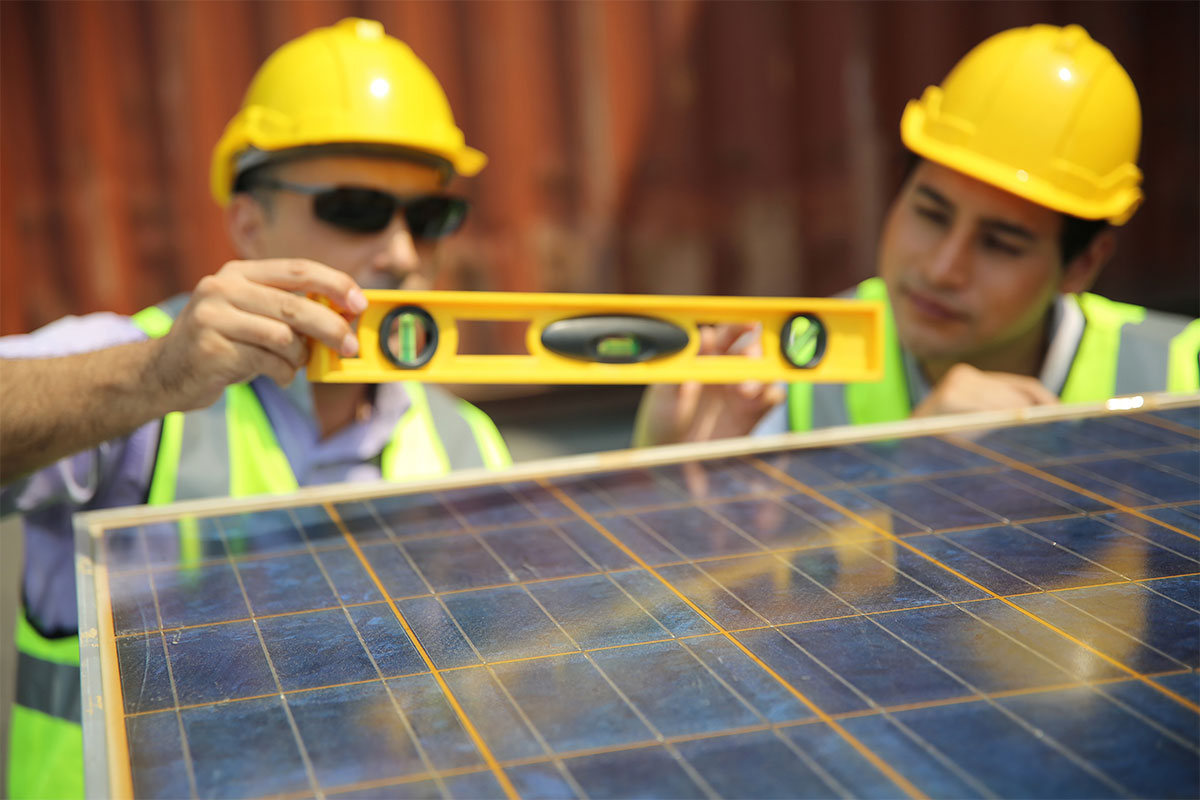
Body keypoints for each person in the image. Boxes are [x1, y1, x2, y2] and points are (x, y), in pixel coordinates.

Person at [0, 18, 511, 799]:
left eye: (429, 218)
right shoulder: (131, 369)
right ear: (248, 223)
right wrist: (151, 378)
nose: (404, 252)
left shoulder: (466, 444)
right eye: (358, 208)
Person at [635, 23, 1200, 448]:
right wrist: (674, 493)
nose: (942, 268)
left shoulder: (1184, 370)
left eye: (1000, 244)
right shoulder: (796, 366)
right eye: (931, 213)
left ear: (1082, 264)